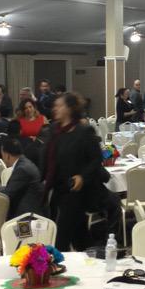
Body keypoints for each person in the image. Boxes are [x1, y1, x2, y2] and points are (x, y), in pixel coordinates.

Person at [42, 91, 111, 250]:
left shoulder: (84, 131)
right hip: (57, 188)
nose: (55, 109)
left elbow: (96, 159)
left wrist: (82, 177)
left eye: (60, 106)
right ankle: (91, 257)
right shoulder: (54, 130)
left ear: (70, 108)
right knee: (80, 236)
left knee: (61, 237)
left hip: (75, 190)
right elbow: (47, 157)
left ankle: (59, 261)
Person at [0, 136, 43, 219]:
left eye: (2, 155)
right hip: (29, 209)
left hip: (29, 217)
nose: (3, 159)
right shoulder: (23, 163)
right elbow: (11, 188)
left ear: (7, 155)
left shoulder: (22, 169)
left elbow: (7, 195)